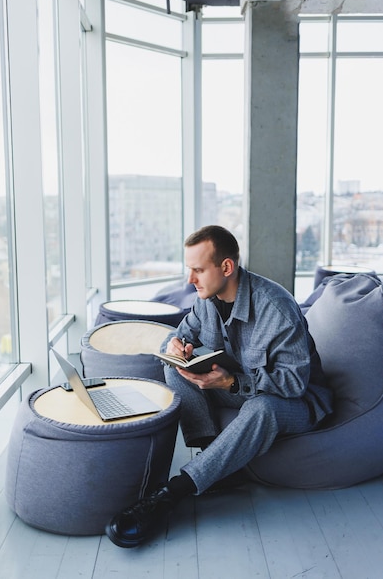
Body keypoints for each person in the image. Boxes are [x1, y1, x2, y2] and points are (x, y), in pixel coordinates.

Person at [106, 225, 333, 548]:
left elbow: (293, 384)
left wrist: (230, 382)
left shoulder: (276, 309)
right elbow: (182, 334)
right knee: (175, 372)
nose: (190, 280)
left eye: (198, 270)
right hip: (242, 387)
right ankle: (216, 462)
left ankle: (173, 493)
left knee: (262, 407)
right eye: (189, 269)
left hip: (298, 402)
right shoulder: (205, 299)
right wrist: (177, 347)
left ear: (226, 267)